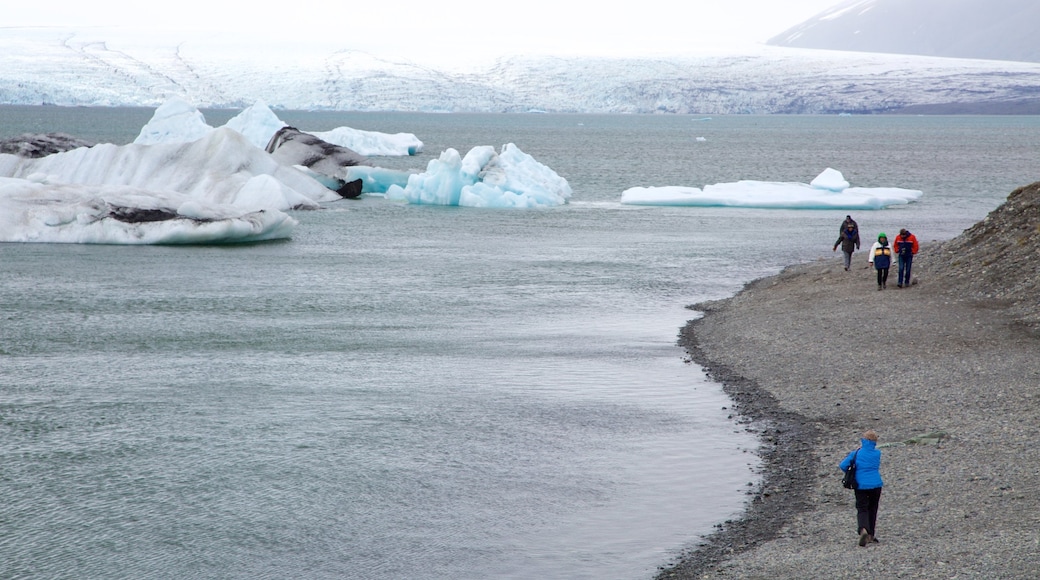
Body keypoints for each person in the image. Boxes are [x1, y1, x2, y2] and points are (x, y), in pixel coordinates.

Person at [839, 430, 884, 547]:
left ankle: (863, 529)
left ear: (863, 440)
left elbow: (843, 465)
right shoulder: (877, 453)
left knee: (862, 508)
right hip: (876, 484)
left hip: (860, 485)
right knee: (873, 508)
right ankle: (871, 535)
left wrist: (852, 472)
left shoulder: (856, 453)